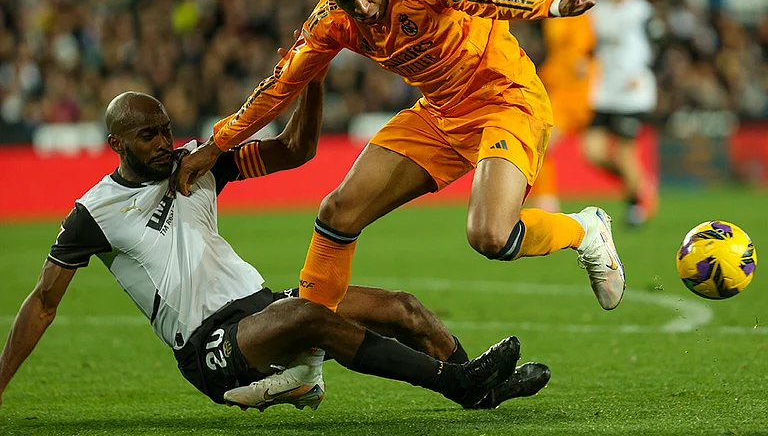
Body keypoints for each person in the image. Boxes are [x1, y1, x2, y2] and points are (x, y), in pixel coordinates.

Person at [0, 86, 549, 412]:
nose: (165, 144)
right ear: (116, 143)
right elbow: (44, 302)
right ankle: (459, 383)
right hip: (211, 349)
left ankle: (480, 389)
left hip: (263, 310)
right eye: (149, 136)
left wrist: (311, 77)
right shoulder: (93, 213)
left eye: (166, 130)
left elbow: (294, 149)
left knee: (402, 308)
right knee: (311, 315)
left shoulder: (198, 163)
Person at [177, 0, 625, 329]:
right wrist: (217, 144)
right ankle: (306, 358)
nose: (361, 7)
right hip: (439, 113)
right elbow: (280, 85)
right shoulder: (332, 20)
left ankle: (585, 230)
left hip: (505, 97)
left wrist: (553, 2)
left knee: (490, 235)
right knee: (338, 212)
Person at [583, 0, 658, 227]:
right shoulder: (595, 10)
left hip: (632, 92)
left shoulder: (642, 11)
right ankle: (640, 184)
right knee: (592, 151)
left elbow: (660, 47)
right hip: (603, 90)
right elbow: (589, 46)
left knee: (626, 153)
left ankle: (636, 206)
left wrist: (644, 71)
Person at [529, 0, 598, 213]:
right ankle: (546, 199)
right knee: (542, 143)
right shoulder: (552, 16)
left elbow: (584, 47)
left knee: (595, 151)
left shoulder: (580, 13)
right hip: (561, 91)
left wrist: (580, 60)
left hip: (580, 92)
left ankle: (637, 189)